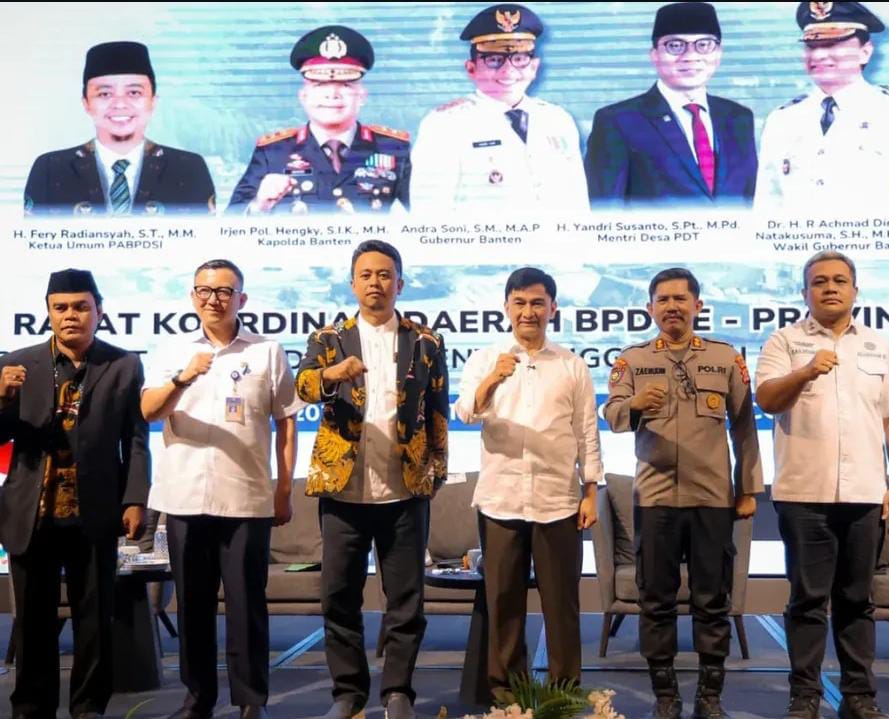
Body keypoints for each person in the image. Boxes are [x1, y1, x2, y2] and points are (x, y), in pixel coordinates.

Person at [140, 259, 305, 719]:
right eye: (205, 291)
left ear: (241, 299)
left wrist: (284, 488)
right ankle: (198, 699)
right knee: (193, 605)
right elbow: (149, 411)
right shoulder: (172, 349)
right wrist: (182, 378)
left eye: (224, 291)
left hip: (246, 498)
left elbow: (286, 421)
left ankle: (251, 701)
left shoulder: (267, 351)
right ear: (193, 296)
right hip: (184, 496)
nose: (213, 299)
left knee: (246, 604)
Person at [755, 251, 889, 719]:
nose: (830, 288)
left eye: (840, 281)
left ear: (855, 290)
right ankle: (804, 696)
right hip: (803, 494)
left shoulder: (878, 345)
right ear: (805, 292)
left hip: (865, 494)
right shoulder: (784, 341)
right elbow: (767, 399)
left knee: (857, 600)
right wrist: (805, 371)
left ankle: (859, 697)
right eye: (819, 281)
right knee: (807, 601)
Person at [295, 241, 449, 719]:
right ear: (352, 283)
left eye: (384, 275)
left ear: (399, 283)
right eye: (366, 275)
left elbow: (438, 409)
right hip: (344, 490)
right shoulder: (329, 339)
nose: (375, 283)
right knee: (339, 597)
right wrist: (331, 374)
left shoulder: (426, 341)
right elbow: (303, 386)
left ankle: (398, 691)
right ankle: (348, 692)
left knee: (406, 601)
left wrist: (437, 470)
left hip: (405, 489)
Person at [604, 268, 763, 719]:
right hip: (655, 501)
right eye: (663, 299)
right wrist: (634, 405)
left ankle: (710, 697)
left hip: (712, 500)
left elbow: (745, 428)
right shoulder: (632, 360)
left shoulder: (724, 358)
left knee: (712, 601)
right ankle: (665, 696)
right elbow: (612, 415)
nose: (672, 306)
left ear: (698, 305)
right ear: (650, 308)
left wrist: (749, 488)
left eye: (680, 299)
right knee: (655, 600)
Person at [0, 269, 148, 719]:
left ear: (99, 311)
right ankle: (31, 706)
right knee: (33, 620)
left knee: (94, 619)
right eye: (60, 308)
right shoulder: (18, 363)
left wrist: (135, 498)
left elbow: (135, 438)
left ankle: (88, 707)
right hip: (32, 511)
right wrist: (2, 398)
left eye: (81, 307)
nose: (70, 316)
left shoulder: (123, 364)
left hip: (95, 509)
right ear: (48, 313)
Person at [455, 267, 602, 693]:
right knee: (504, 603)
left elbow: (586, 433)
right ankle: (508, 696)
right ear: (506, 307)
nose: (528, 311)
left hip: (559, 501)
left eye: (538, 303)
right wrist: (493, 379)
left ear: (553, 308)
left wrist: (591, 492)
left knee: (561, 606)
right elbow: (466, 412)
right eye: (519, 303)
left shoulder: (572, 365)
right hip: (501, 499)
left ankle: (564, 695)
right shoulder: (485, 359)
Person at [755, 2, 889, 211]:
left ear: (865, 52)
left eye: (832, 44)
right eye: (811, 46)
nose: (819, 55)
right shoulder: (782, 120)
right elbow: (767, 209)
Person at [408, 4, 588, 213]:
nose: (508, 70)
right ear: (471, 69)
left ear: (534, 67)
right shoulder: (445, 124)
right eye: (494, 60)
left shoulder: (557, 119)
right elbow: (429, 213)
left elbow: (578, 203)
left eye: (519, 59)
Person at [585, 2, 756, 208]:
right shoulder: (617, 121)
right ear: (654, 55)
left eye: (704, 45)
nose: (690, 56)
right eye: (675, 45)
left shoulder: (739, 118)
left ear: (718, 54)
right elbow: (605, 212)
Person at [228, 26, 410, 215]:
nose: (332, 95)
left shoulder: (394, 148)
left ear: (362, 95)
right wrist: (259, 205)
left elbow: (425, 213)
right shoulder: (272, 151)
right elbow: (228, 221)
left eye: (345, 85)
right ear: (303, 96)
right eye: (320, 85)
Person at [24, 41, 215, 217]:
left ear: (153, 101)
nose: (120, 104)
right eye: (105, 94)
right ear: (86, 103)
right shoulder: (50, 168)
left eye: (134, 92)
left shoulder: (188, 168)